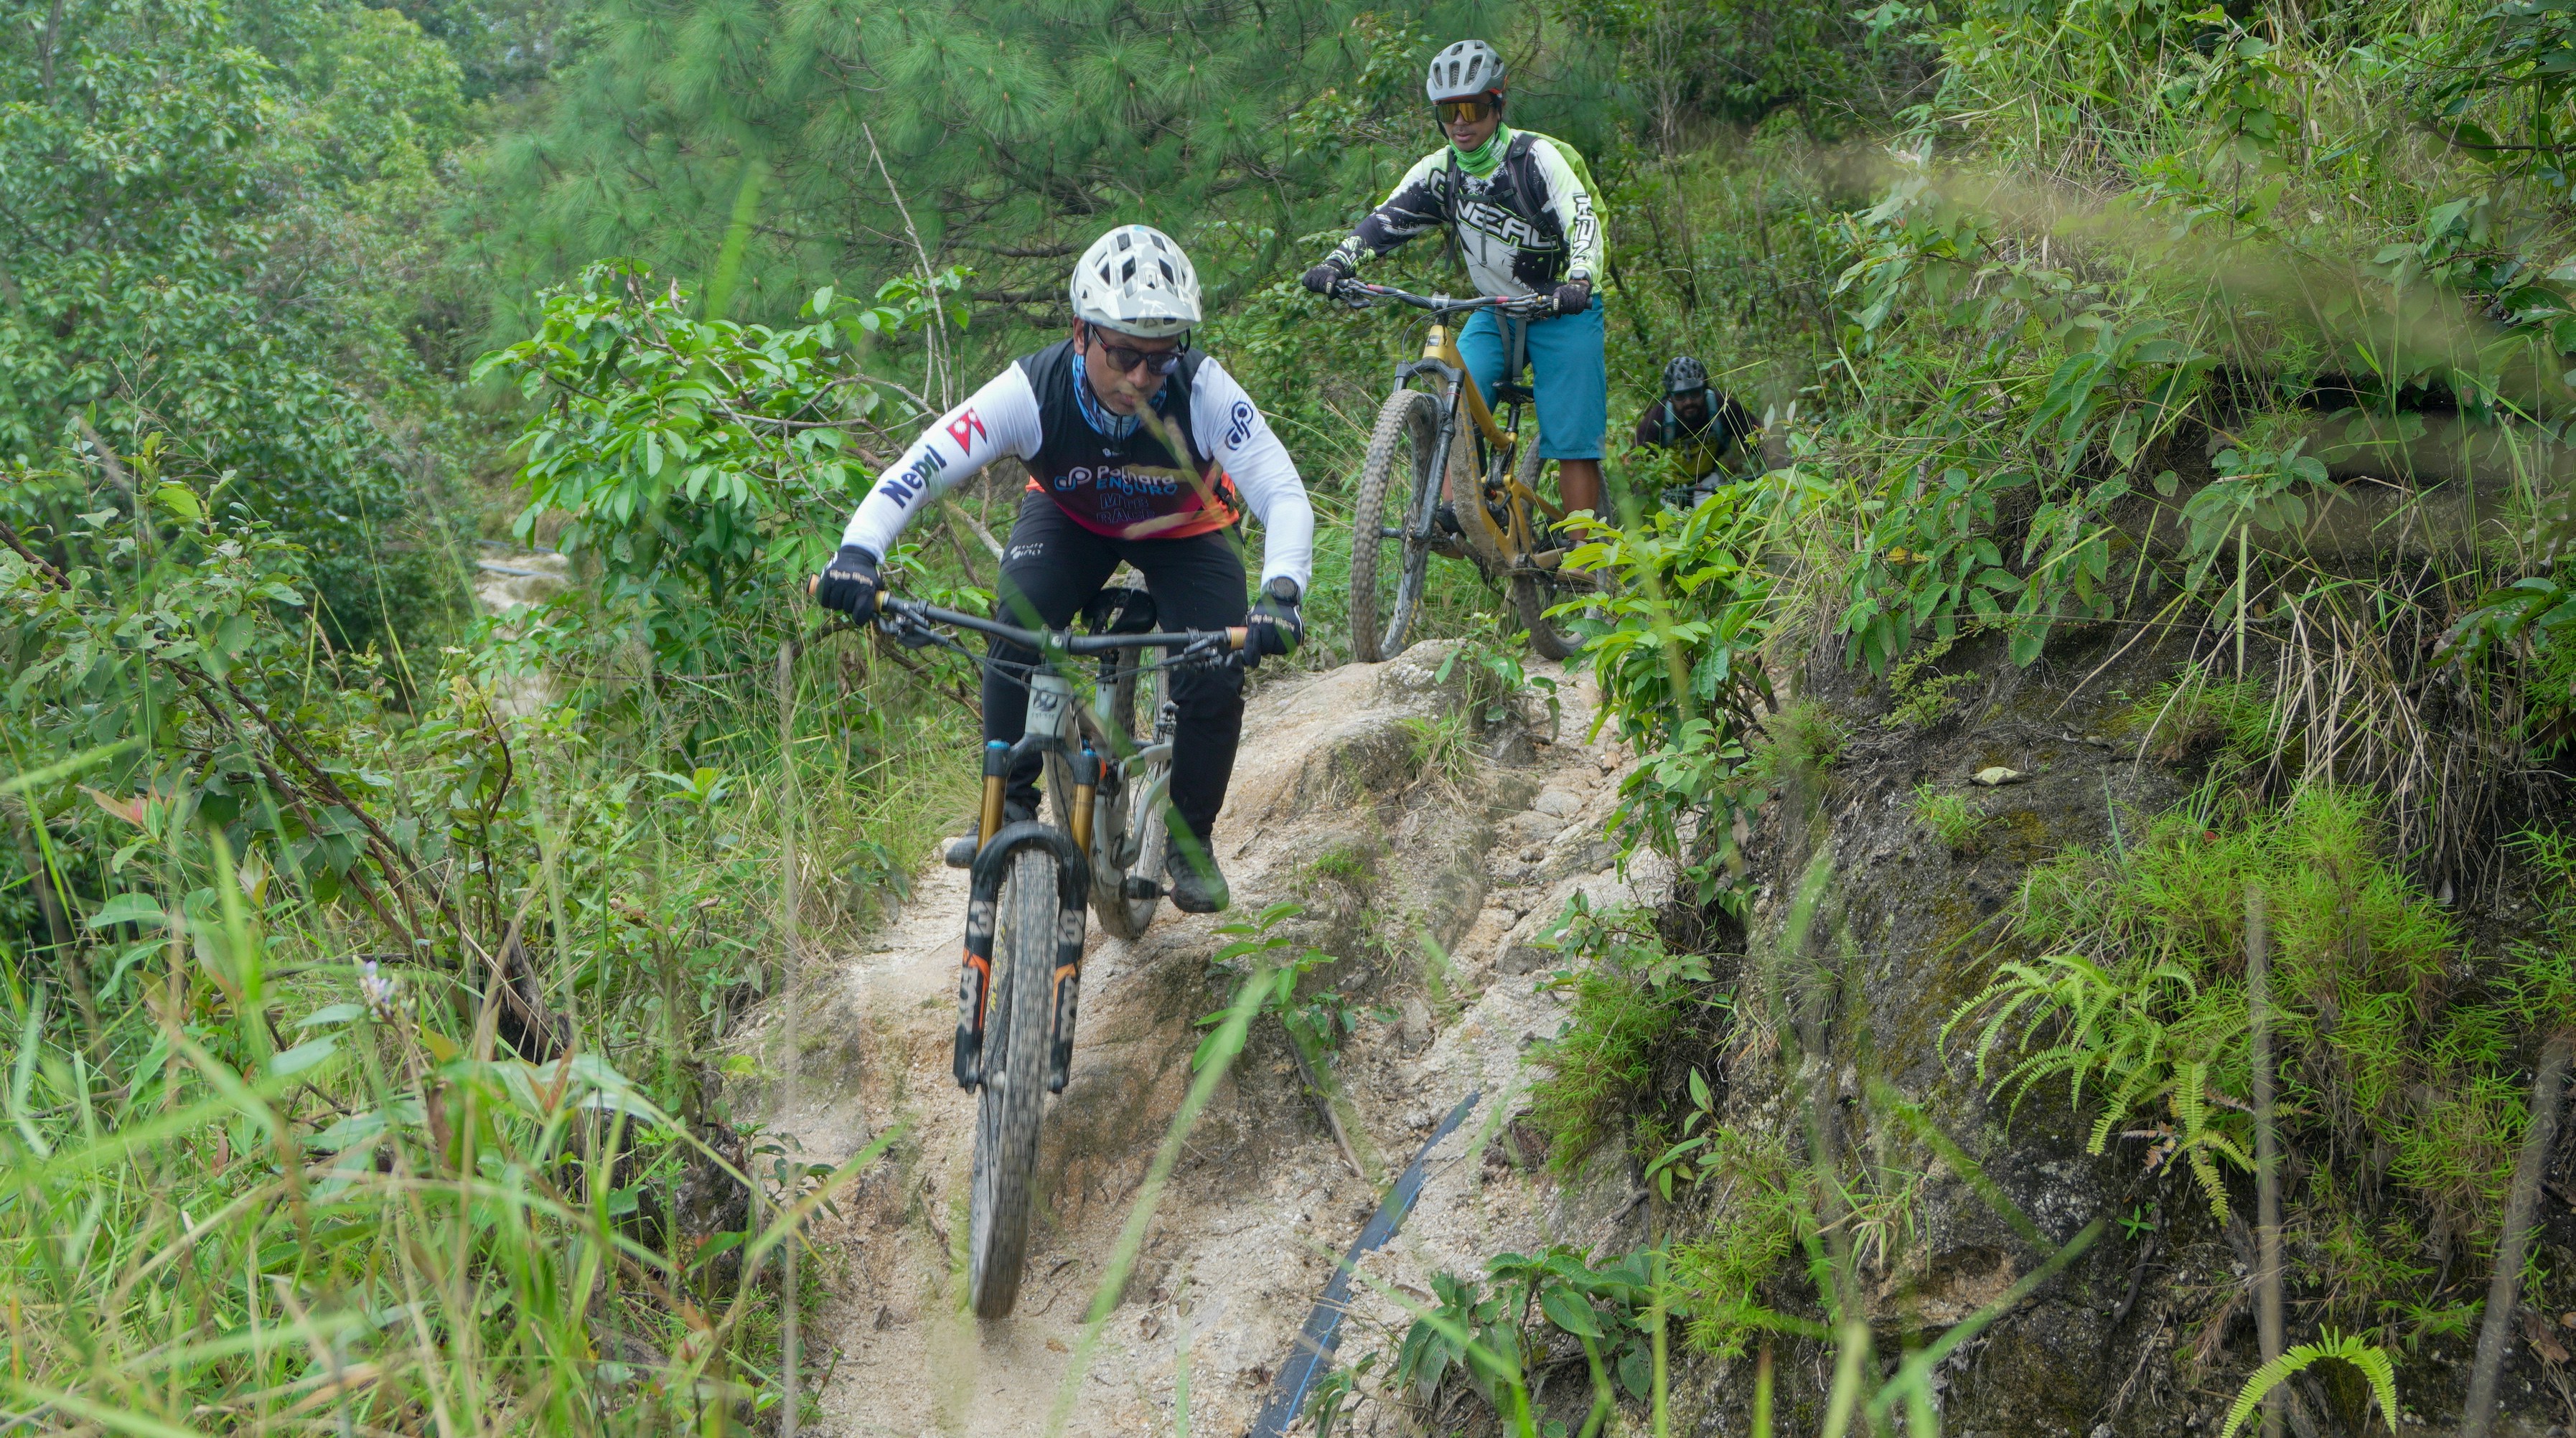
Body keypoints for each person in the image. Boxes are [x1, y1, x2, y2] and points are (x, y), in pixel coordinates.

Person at [812, 224, 1315, 913]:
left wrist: (1281, 589)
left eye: (1161, 358)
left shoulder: (1202, 390)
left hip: (1186, 528)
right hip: (1072, 518)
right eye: (1125, 355)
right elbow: (923, 467)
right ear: (1082, 334)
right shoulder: (1030, 390)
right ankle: (1009, 808)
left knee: (1213, 671)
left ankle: (1188, 842)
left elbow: (1281, 491)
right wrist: (859, 553)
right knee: (1017, 625)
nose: (1142, 377)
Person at [1299, 39, 1610, 518]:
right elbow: (1383, 221)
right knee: (1454, 401)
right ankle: (1454, 515)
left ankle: (1585, 567)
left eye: (1471, 107)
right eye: (1447, 111)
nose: (1460, 122)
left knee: (1571, 442)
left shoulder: (1536, 160)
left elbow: (1582, 220)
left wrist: (1581, 281)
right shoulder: (1442, 172)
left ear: (1496, 105)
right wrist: (1336, 264)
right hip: (1495, 310)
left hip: (1560, 309)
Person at [1633, 355, 1759, 505]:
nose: (1689, 402)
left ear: (1705, 390)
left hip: (1709, 482)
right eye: (1680, 396)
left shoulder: (1722, 407)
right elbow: (1638, 464)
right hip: (1668, 489)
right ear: (1670, 397)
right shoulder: (1656, 420)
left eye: (1695, 393)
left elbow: (1757, 436)